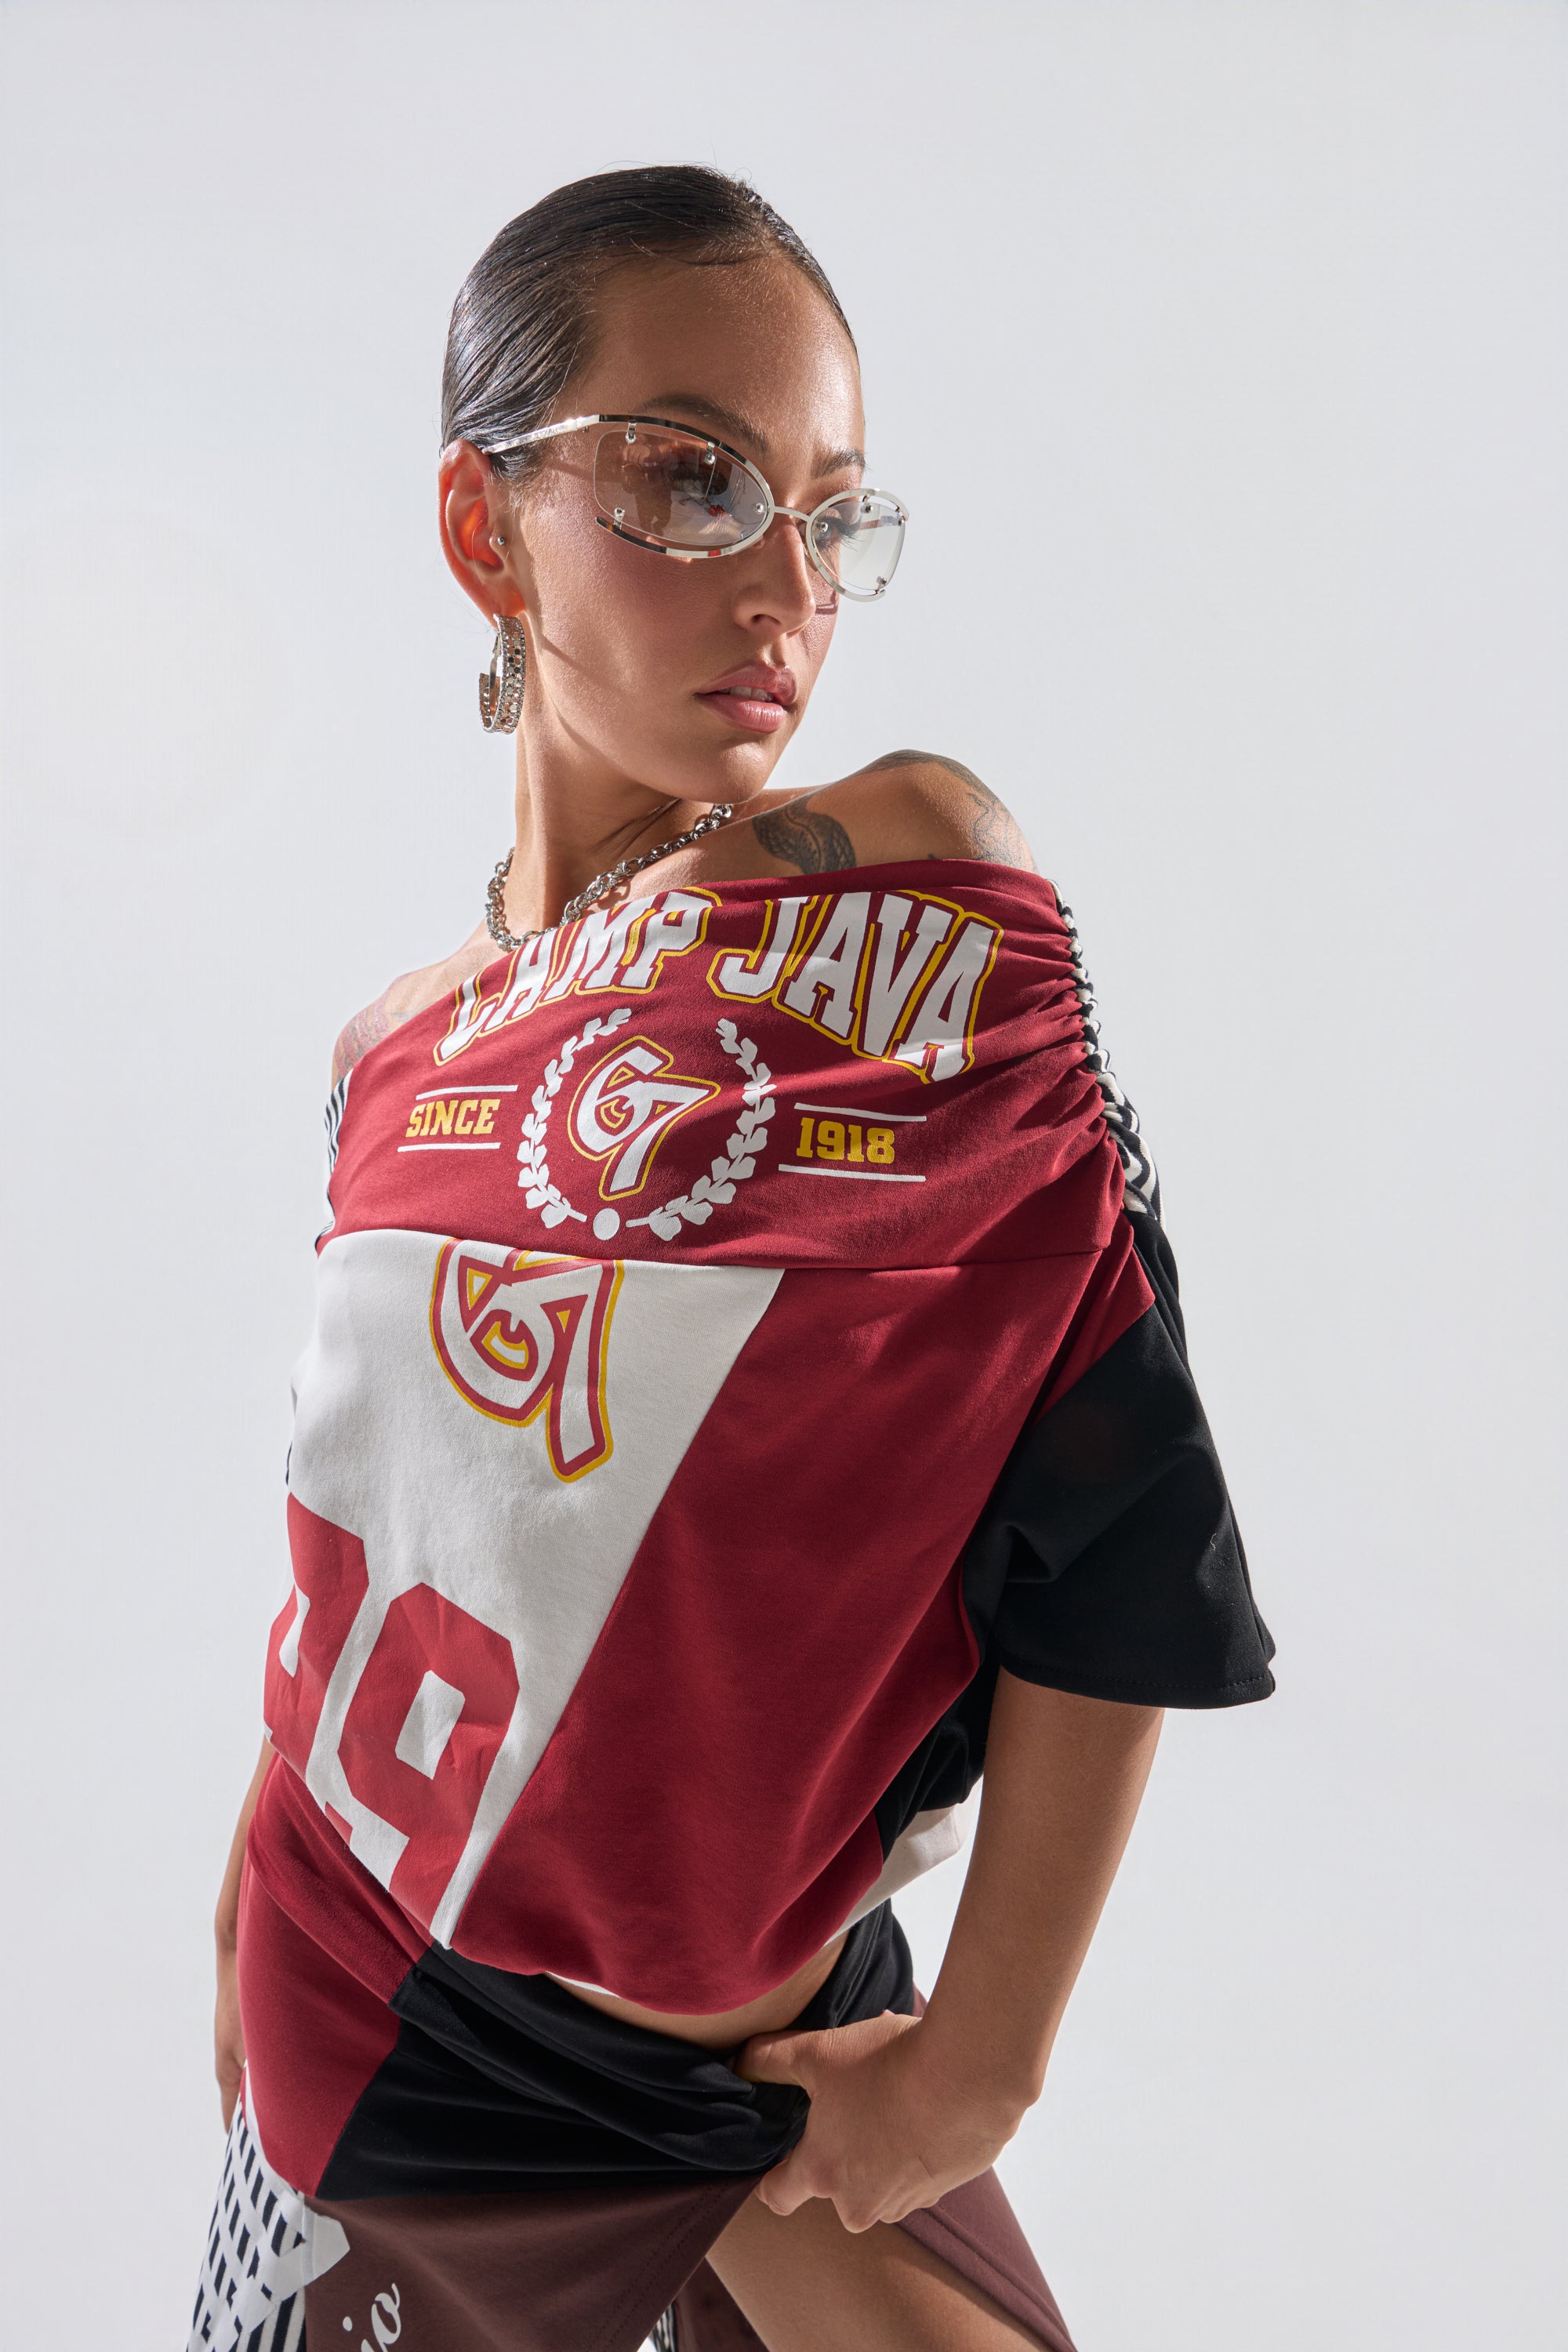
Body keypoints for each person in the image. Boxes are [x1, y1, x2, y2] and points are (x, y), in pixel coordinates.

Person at [190, 165, 1275, 2352]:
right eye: (693, 482)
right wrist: (239, 1904)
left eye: (831, 509)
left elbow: (1123, 1521)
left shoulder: (906, 917)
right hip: (368, 2048)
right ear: (488, 535)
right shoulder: (395, 1054)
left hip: (754, 2096)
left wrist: (981, 2060)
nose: (787, 586)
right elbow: (406, 1533)